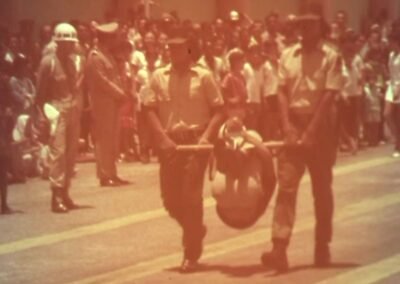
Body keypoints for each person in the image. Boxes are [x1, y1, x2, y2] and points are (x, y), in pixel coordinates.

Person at [260, 13, 342, 272]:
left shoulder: (331, 55)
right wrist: (287, 127)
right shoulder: (287, 55)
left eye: (311, 23)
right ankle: (279, 248)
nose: (305, 28)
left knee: (321, 191)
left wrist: (311, 132)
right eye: (301, 23)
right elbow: (281, 91)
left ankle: (322, 245)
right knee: (286, 189)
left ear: (321, 26)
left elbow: (329, 96)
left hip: (321, 129)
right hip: (293, 125)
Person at [144, 34, 224, 273]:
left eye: (178, 48)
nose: (173, 52)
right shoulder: (158, 76)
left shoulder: (204, 76)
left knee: (190, 198)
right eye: (170, 48)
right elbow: (148, 109)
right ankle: (196, 230)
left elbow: (220, 110)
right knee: (170, 201)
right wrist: (161, 138)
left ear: (189, 50)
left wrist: (205, 138)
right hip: (170, 144)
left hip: (194, 145)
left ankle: (191, 253)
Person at [35, 23, 84, 213]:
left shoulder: (71, 62)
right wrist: (43, 118)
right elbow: (40, 94)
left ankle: (65, 192)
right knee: (58, 154)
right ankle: (56, 196)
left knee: (71, 154)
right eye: (66, 42)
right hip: (56, 111)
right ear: (57, 43)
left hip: (72, 110)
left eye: (72, 42)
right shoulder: (49, 62)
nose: (70, 46)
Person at [86, 22, 131, 187]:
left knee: (112, 139)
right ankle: (105, 175)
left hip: (112, 103)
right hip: (103, 104)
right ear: (107, 38)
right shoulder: (95, 57)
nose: (116, 41)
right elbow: (102, 82)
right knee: (104, 140)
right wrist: (120, 94)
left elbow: (114, 78)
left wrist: (120, 94)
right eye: (113, 37)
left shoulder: (107, 55)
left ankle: (112, 172)